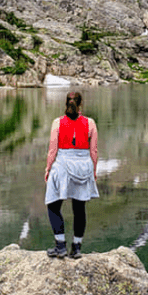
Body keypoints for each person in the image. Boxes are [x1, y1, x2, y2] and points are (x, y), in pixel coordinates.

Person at [44, 91, 99, 259]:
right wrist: (94, 171)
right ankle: (76, 248)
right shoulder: (90, 123)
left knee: (53, 205)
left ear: (66, 103)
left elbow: (53, 150)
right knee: (79, 208)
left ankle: (60, 246)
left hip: (62, 164)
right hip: (83, 165)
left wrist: (48, 168)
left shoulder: (57, 123)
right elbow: (94, 151)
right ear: (81, 104)